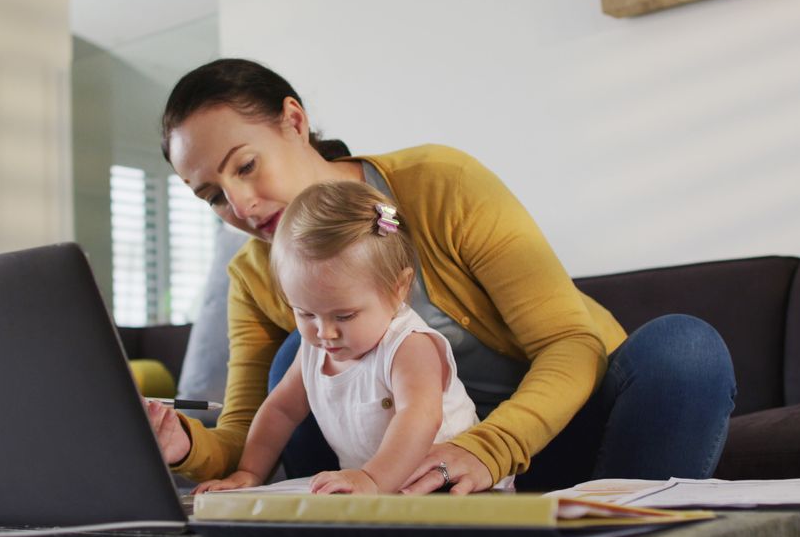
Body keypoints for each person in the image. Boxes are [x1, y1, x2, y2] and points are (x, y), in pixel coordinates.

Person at [146, 57, 736, 494]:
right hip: (418, 476)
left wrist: (489, 448)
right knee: (294, 362)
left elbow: (570, 342)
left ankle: (617, 530)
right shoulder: (255, 275)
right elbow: (250, 431)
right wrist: (183, 446)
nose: (242, 206)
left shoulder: (441, 183)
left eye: (246, 166)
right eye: (212, 196)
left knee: (686, 349)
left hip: (563, 430)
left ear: (293, 121)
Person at [193, 181, 482, 495]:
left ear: (398, 288)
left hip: (454, 489)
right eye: (305, 313)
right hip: (381, 491)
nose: (324, 332)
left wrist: (372, 478)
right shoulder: (314, 348)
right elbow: (280, 410)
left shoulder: (410, 346)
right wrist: (248, 472)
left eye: (344, 316)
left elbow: (420, 418)